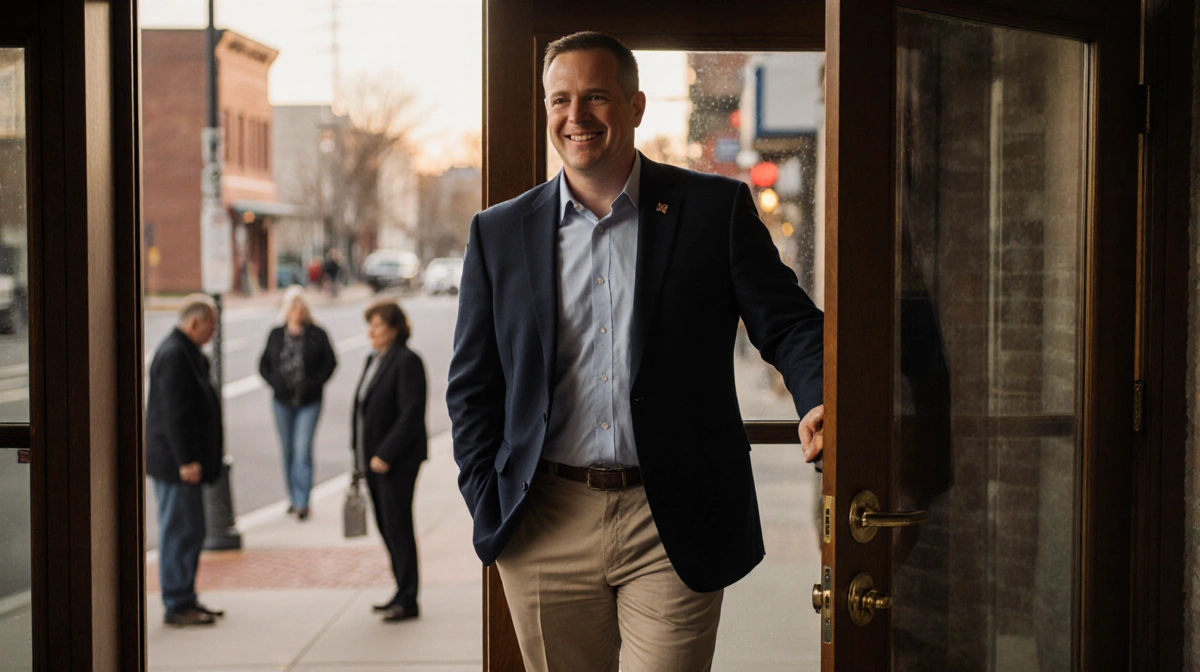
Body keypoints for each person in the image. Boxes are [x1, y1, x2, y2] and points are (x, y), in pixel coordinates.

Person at [447, 32, 825, 670]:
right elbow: (472, 386)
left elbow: (788, 324)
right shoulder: (498, 233)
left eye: (596, 97)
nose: (577, 117)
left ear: (636, 105)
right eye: (560, 100)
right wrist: (488, 493)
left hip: (671, 515)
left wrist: (817, 400)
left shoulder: (713, 211)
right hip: (545, 521)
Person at [145, 294, 226, 627]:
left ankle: (185, 597)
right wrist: (187, 461)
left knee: (190, 530)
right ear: (195, 322)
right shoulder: (176, 354)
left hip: (182, 463)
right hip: (177, 465)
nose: (213, 333)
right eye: (211, 326)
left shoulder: (186, 352)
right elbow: (175, 415)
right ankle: (177, 602)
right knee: (180, 531)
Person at [352, 300, 427, 622]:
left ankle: (408, 598)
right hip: (372, 462)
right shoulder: (374, 359)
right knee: (386, 526)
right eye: (370, 325)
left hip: (396, 461)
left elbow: (411, 413)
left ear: (395, 329)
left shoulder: (407, 361)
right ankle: (400, 590)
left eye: (378, 325)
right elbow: (363, 412)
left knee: (398, 526)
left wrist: (385, 454)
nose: (371, 331)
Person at [258, 286, 338, 520]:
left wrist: (317, 383)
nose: (297, 311)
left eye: (301, 306)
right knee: (287, 450)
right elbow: (263, 365)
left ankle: (303, 501)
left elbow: (330, 362)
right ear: (286, 309)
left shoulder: (317, 334)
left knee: (302, 449)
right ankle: (292, 497)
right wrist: (275, 383)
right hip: (282, 401)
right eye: (293, 306)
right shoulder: (276, 334)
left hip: (309, 401)